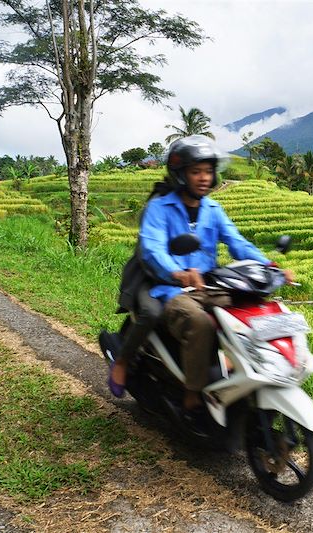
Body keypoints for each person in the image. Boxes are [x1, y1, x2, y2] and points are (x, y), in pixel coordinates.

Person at [108, 135, 291, 432]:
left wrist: (269, 266)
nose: (204, 178)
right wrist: (177, 272)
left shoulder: (213, 210)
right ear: (181, 174)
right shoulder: (160, 207)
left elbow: (237, 242)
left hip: (207, 284)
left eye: (208, 171)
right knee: (199, 322)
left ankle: (235, 369)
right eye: (196, 171)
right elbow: (153, 249)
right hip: (169, 286)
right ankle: (189, 393)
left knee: (249, 312)